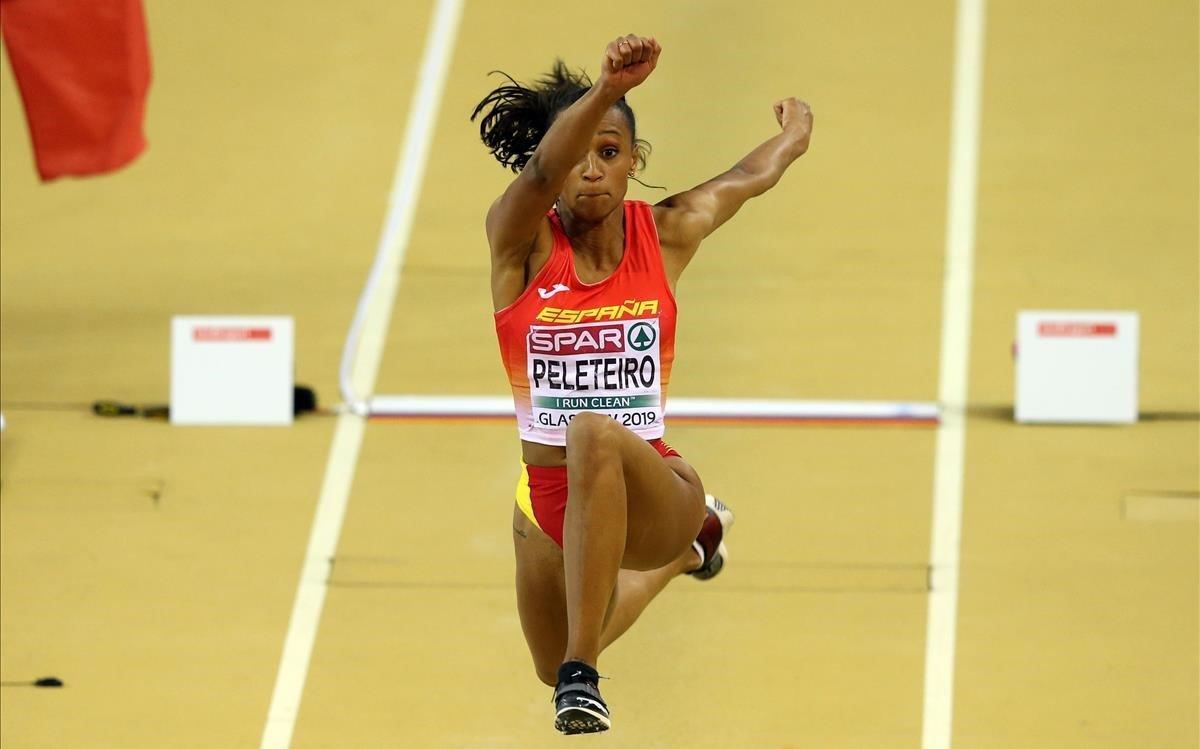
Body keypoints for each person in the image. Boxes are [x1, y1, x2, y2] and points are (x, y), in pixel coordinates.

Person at [472, 33, 813, 734]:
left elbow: (748, 176)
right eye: (578, 154)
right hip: (549, 500)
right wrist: (603, 90)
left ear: (634, 161)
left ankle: (584, 675)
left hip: (652, 487)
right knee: (553, 649)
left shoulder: (667, 232)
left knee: (593, 431)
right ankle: (697, 549)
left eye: (611, 152)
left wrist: (798, 132)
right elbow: (536, 176)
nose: (591, 171)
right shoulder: (518, 244)